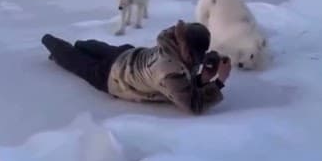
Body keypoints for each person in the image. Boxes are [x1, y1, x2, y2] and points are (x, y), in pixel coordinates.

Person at [41, 20, 231, 115]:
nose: (195, 60)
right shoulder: (169, 71)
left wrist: (203, 78)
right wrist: (219, 82)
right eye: (193, 55)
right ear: (184, 46)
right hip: (115, 77)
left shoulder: (173, 36)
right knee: (75, 61)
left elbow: (183, 83)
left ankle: (77, 45)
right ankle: (49, 42)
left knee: (88, 47)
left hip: (128, 55)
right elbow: (193, 105)